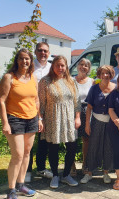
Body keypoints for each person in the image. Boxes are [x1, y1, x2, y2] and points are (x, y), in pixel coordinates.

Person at [0, 48, 41, 199]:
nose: (25, 61)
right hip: (15, 119)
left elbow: (36, 100)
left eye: (27, 59)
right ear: (17, 60)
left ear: (31, 61)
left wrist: (39, 118)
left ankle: (21, 185)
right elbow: (2, 101)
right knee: (17, 155)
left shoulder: (33, 77)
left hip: (32, 119)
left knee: (27, 153)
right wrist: (5, 123)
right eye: (22, 58)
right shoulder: (9, 77)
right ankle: (11, 190)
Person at [38, 55, 81, 189]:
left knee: (72, 147)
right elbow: (40, 103)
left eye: (63, 65)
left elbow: (77, 102)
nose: (60, 68)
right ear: (53, 66)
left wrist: (77, 117)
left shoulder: (71, 81)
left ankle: (66, 174)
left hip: (69, 119)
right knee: (53, 148)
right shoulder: (45, 81)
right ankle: (55, 175)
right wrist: (41, 119)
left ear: (66, 66)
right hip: (53, 118)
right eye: (58, 65)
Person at [80, 65, 116, 184]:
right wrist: (87, 124)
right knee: (93, 146)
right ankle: (89, 172)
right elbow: (89, 107)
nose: (105, 75)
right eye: (102, 73)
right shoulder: (94, 88)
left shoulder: (115, 88)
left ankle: (106, 173)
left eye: (107, 73)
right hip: (96, 121)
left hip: (110, 123)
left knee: (108, 147)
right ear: (99, 75)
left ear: (111, 75)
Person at [26, 42, 53, 183]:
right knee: (29, 140)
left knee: (44, 141)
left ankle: (41, 168)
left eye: (45, 51)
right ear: (35, 52)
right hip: (30, 107)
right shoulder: (30, 67)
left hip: (48, 108)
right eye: (40, 50)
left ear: (49, 53)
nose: (43, 53)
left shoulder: (51, 68)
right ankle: (27, 170)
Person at [71, 58, 94, 176]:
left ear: (89, 69)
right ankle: (72, 164)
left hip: (87, 110)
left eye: (86, 65)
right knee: (72, 139)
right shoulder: (70, 80)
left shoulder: (92, 81)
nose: (83, 67)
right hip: (72, 110)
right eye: (81, 64)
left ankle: (85, 164)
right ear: (77, 66)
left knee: (86, 139)